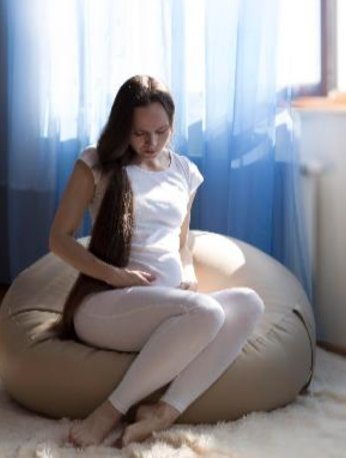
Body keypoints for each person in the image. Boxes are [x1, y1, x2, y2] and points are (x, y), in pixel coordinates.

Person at [48, 75, 265, 447]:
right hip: (105, 304)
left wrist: (188, 271)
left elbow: (182, 243)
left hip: (167, 311)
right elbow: (58, 239)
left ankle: (163, 411)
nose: (151, 143)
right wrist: (114, 276)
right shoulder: (96, 163)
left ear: (172, 126)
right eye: (139, 134)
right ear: (122, 129)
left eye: (161, 132)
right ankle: (109, 411)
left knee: (249, 303)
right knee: (208, 314)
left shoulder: (184, 172)